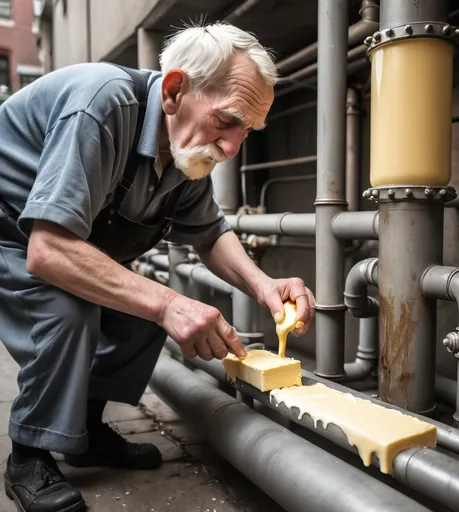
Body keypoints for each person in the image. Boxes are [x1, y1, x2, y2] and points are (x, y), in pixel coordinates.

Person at [0, 21, 315, 512]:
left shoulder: (186, 149)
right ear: (174, 92)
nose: (232, 149)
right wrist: (168, 302)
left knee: (140, 314)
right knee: (70, 313)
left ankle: (81, 431)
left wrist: (263, 284)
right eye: (227, 122)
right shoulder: (100, 106)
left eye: (246, 131)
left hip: (64, 242)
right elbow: (49, 250)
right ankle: (29, 453)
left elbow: (210, 233)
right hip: (12, 233)